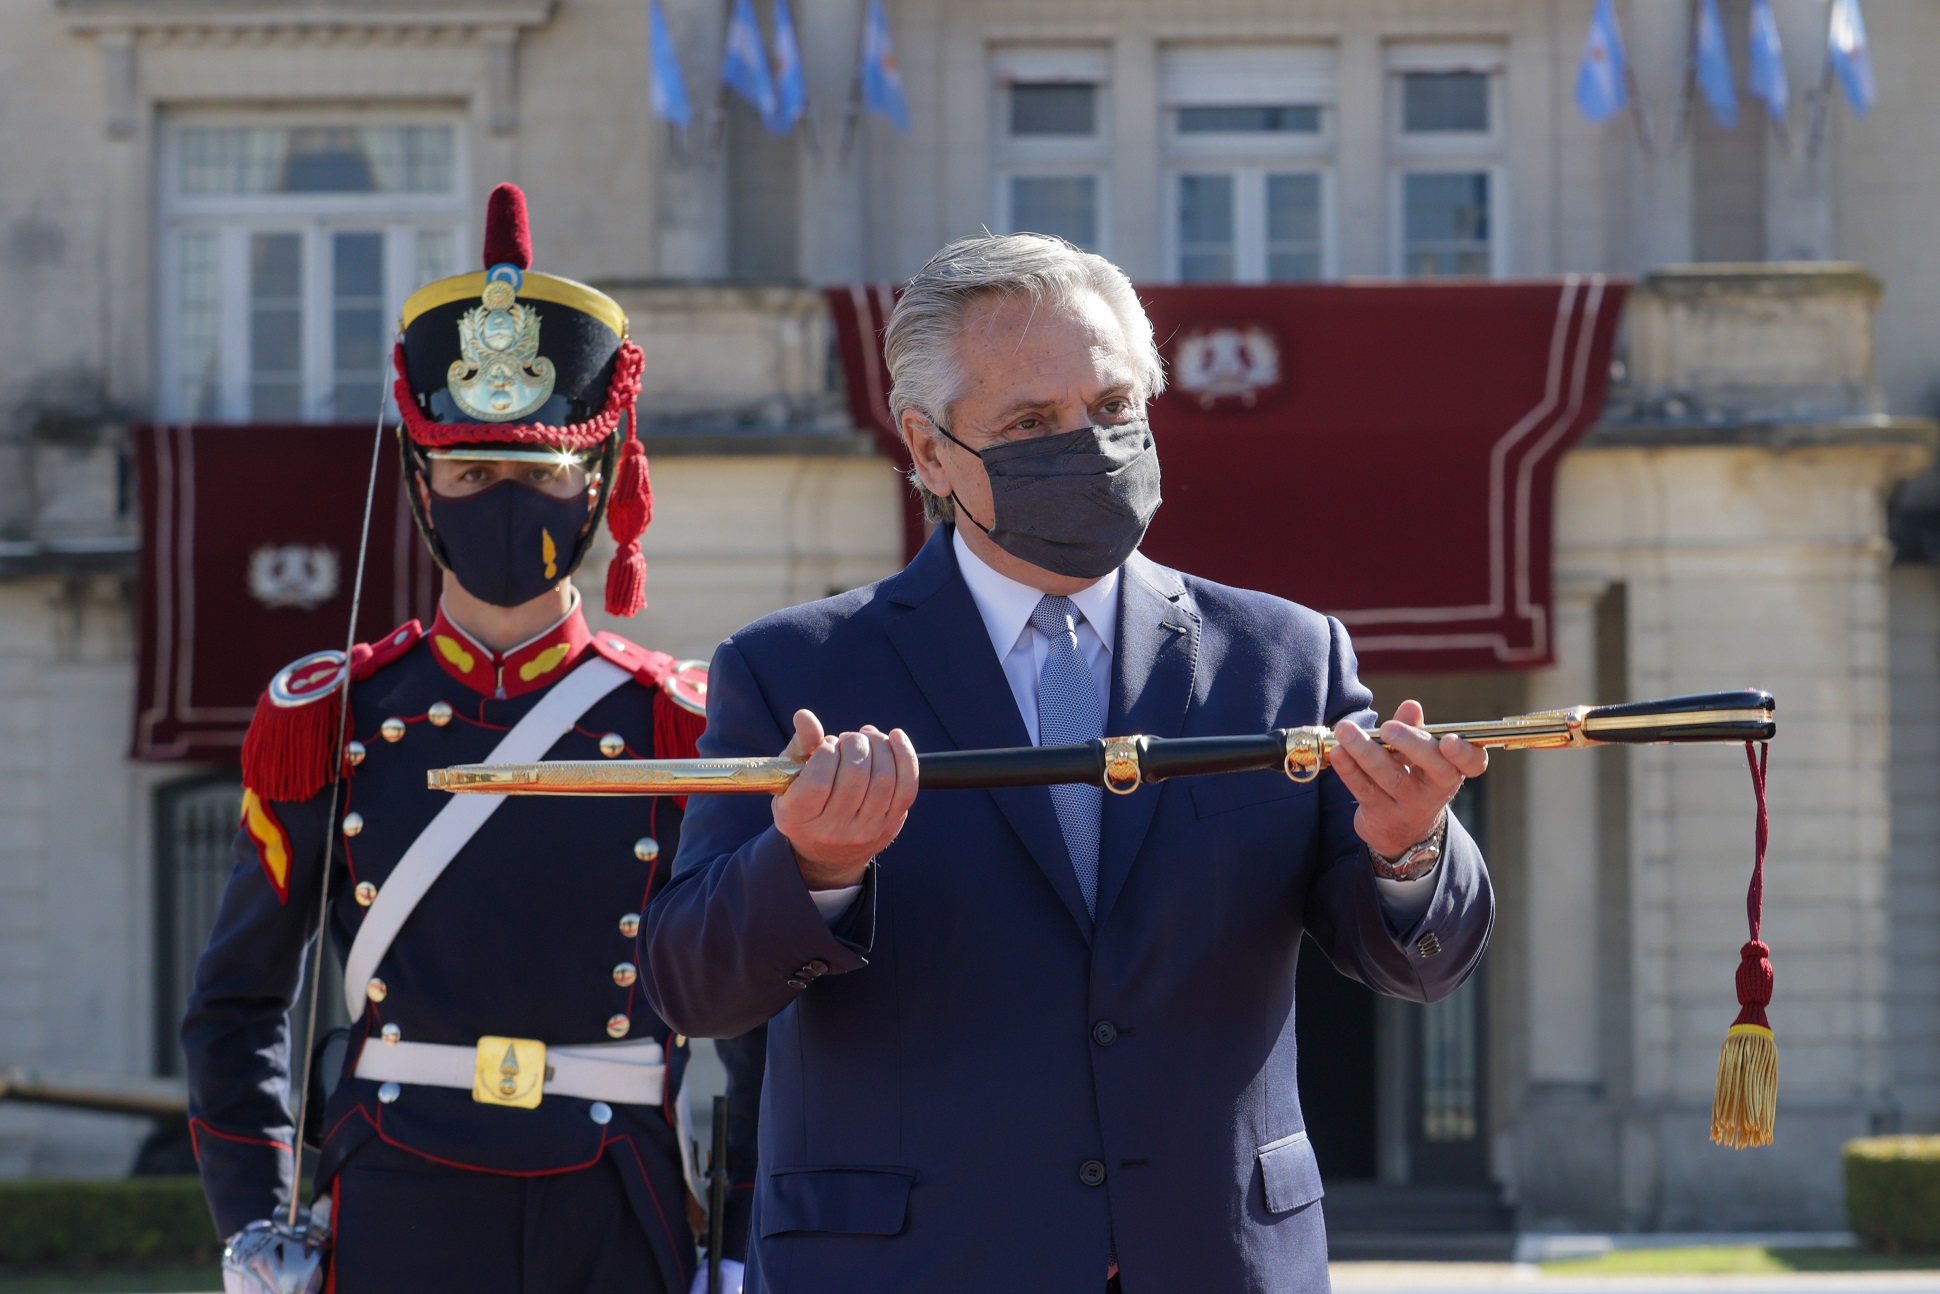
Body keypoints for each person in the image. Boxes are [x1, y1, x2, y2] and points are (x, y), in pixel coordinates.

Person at [642, 233, 1495, 1292]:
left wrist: (1410, 850)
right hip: (908, 1264)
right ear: (927, 448)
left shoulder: (1283, 656)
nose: (1085, 448)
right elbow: (686, 983)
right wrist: (810, 870)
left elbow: (1416, 960)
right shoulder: (796, 670)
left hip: (1213, 1255)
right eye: (1030, 423)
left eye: (1109, 408)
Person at [182, 184, 759, 1294]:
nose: (506, 501)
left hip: (614, 1187)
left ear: (595, 486)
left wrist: (737, 1248)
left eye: (540, 475)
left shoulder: (679, 718)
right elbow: (236, 1001)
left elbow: (757, 1020)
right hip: (394, 1189)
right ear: (422, 485)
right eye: (471, 472)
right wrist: (256, 1224)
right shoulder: (330, 716)